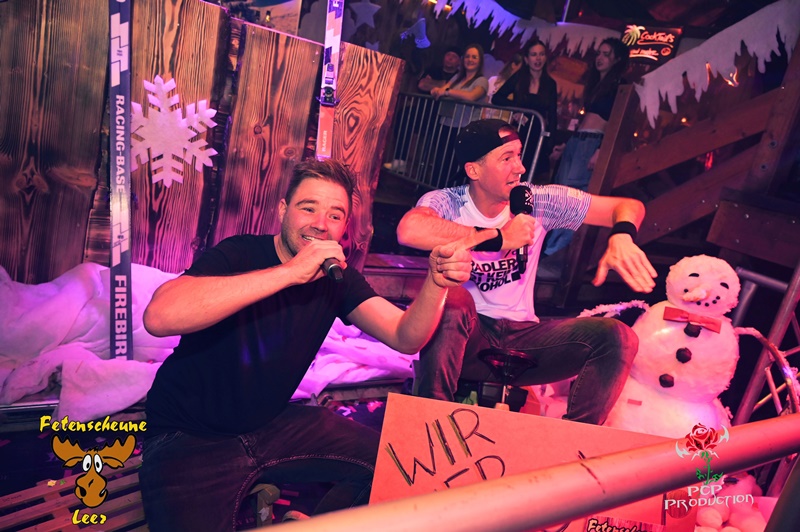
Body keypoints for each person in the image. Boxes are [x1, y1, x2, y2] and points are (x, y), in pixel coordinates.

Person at [139, 158, 487, 531]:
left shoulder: (337, 279)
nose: (321, 223)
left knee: (394, 467)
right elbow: (158, 317)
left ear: (343, 227)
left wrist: (436, 283)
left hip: (270, 424)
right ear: (283, 210)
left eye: (335, 215)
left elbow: (406, 336)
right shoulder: (240, 253)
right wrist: (290, 273)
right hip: (188, 436)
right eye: (308, 208)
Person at [396, 119, 657, 426]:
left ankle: (575, 443)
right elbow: (410, 229)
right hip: (466, 337)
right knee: (452, 299)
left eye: (519, 156)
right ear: (474, 170)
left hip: (524, 337)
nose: (519, 168)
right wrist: (499, 237)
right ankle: (430, 424)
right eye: (506, 158)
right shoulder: (449, 202)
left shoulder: (536, 200)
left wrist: (622, 235)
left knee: (618, 337)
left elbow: (628, 206)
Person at [544, 37, 630, 256]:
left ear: (617, 59)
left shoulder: (619, 86)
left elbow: (617, 123)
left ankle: (554, 249)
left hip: (591, 143)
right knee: (560, 192)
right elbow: (586, 120)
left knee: (573, 196)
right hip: (579, 141)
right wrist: (567, 145)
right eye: (599, 53)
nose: (600, 58)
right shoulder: (598, 85)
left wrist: (601, 149)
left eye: (606, 54)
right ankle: (549, 246)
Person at [491, 40, 559, 180]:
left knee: (535, 176)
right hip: (520, 132)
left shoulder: (550, 83)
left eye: (541, 54)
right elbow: (497, 98)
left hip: (538, 133)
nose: (538, 58)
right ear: (527, 59)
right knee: (512, 172)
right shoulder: (519, 78)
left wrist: (551, 143)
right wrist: (517, 109)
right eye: (534, 55)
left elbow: (553, 114)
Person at [427, 43, 489, 184]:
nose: (470, 59)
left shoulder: (481, 81)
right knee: (440, 162)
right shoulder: (457, 78)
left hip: (464, 128)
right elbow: (442, 90)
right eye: (467, 56)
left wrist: (447, 92)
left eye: (474, 57)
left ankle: (450, 193)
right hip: (447, 124)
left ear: (480, 60)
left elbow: (471, 96)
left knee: (454, 165)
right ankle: (434, 191)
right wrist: (436, 90)